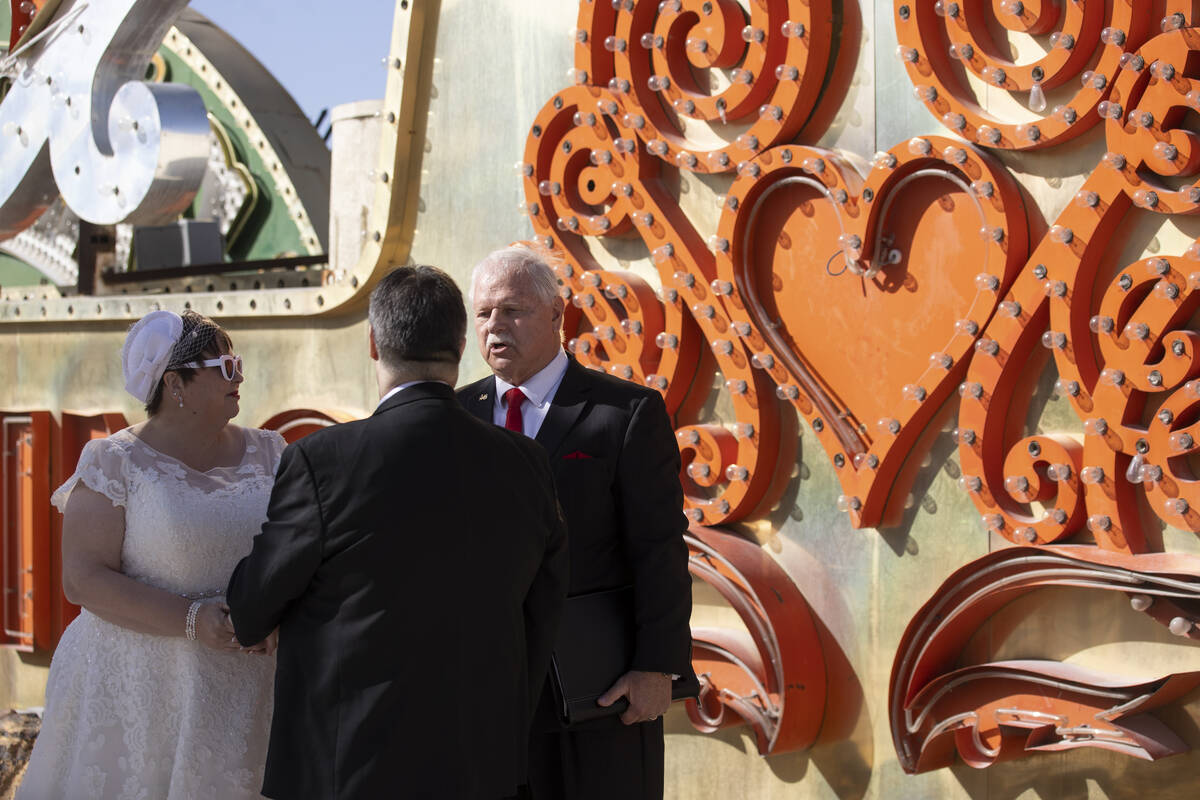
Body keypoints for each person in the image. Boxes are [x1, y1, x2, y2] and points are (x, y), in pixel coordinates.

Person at [226, 265, 568, 800]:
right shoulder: (526, 462)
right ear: (460, 344)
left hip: (351, 767)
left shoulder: (323, 460)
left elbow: (251, 610)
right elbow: (543, 612)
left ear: (372, 342)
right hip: (483, 763)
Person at [457, 246, 694, 800]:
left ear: (557, 315)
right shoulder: (455, 414)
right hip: (484, 690)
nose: (496, 326)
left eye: (512, 310)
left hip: (599, 689)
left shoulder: (625, 413)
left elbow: (659, 548)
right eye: (485, 313)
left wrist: (657, 668)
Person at [18, 310, 282, 800]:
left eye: (238, 362)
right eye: (224, 366)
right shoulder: (112, 460)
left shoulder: (271, 452)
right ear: (174, 383)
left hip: (247, 684)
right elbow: (83, 578)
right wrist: (191, 620)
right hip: (141, 689)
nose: (239, 375)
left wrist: (277, 614)